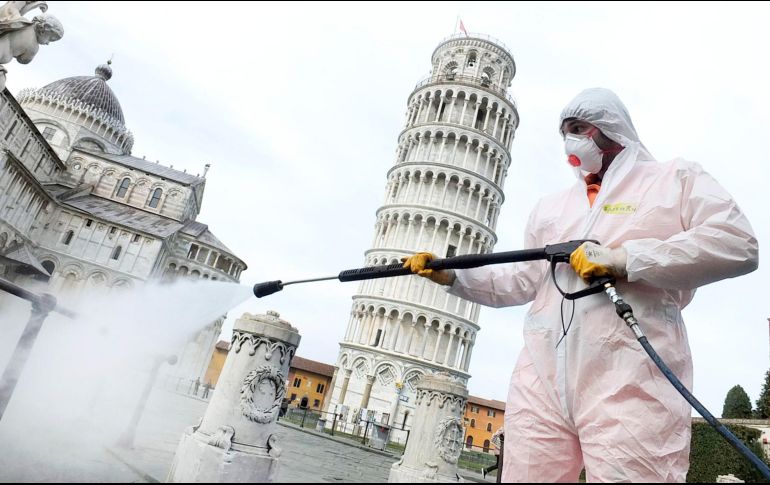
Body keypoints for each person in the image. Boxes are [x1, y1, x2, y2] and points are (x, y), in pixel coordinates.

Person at [401, 88, 759, 483]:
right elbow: (522, 278)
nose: (571, 140)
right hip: (542, 378)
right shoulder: (553, 207)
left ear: (611, 128)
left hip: (629, 380)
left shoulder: (673, 180)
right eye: (564, 132)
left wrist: (625, 259)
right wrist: (452, 275)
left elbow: (736, 243)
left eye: (579, 128)